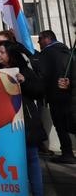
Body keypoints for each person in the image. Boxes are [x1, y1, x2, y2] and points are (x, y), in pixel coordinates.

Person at [0, 41, 46, 196]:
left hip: (25, 122)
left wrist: (25, 82)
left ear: (11, 54)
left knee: (31, 159)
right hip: (3, 123)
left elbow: (39, 92)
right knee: (7, 160)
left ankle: (37, 192)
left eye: (2, 52)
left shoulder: (23, 70)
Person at [37, 30, 75, 164]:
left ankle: (67, 152)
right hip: (70, 95)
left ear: (47, 38)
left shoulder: (47, 54)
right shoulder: (67, 51)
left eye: (40, 39)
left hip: (55, 95)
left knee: (61, 125)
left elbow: (42, 76)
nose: (38, 42)